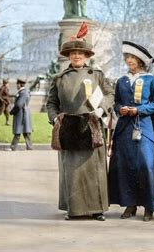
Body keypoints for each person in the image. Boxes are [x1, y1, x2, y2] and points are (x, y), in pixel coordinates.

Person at [47, 37, 114, 221]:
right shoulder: (59, 78)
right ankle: (74, 209)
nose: (77, 56)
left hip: (92, 125)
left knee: (95, 170)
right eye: (73, 53)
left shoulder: (97, 75)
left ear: (86, 56)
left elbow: (109, 94)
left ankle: (97, 209)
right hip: (68, 127)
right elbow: (51, 103)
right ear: (69, 56)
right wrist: (55, 119)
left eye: (80, 53)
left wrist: (102, 108)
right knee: (72, 170)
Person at [108, 41, 154, 221]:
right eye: (127, 57)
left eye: (132, 58)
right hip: (124, 129)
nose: (129, 60)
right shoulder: (121, 80)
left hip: (143, 127)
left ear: (140, 60)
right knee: (125, 166)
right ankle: (130, 205)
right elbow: (116, 101)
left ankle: (149, 206)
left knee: (145, 165)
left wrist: (139, 110)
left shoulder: (150, 80)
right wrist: (120, 109)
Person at [7, 79, 33, 151]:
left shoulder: (23, 93)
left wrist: (11, 111)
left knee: (18, 131)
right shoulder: (24, 92)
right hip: (23, 114)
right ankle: (29, 147)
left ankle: (13, 147)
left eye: (17, 84)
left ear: (19, 84)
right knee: (26, 132)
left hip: (21, 114)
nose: (16, 86)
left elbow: (18, 105)